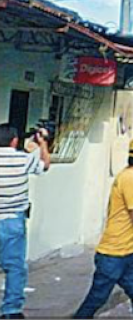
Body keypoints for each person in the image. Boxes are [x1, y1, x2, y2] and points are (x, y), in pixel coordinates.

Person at [74, 137, 133, 319]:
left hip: (130, 252)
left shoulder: (130, 176)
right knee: (97, 299)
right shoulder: (131, 179)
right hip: (113, 254)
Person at [0, 124, 50, 320]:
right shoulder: (22, 159)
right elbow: (45, 164)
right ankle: (11, 311)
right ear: (14, 141)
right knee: (14, 268)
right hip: (13, 221)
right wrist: (42, 143)